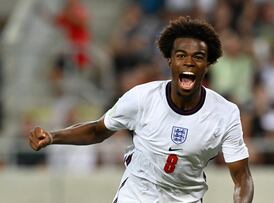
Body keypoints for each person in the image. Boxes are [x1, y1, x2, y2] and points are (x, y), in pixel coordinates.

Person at [28, 16, 254, 203]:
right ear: (169, 61)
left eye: (198, 57)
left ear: (208, 65)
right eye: (181, 56)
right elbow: (98, 130)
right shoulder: (141, 98)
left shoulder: (226, 113)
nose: (189, 62)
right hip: (136, 196)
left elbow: (242, 178)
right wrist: (52, 136)